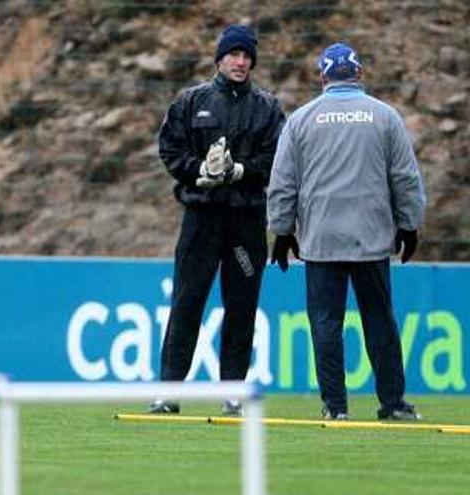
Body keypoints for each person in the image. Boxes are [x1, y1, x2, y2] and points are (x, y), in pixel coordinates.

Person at [267, 42, 426, 420]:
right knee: (379, 322)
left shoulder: (302, 119)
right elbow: (404, 177)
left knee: (325, 325)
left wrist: (282, 230)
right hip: (370, 240)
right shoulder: (385, 117)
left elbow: (283, 182)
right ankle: (392, 404)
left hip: (321, 240)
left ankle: (334, 408)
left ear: (322, 77)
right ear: (359, 74)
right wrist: (409, 224)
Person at [150, 24, 285, 416]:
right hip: (202, 219)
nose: (240, 62)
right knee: (186, 304)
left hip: (246, 222)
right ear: (220, 58)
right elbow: (169, 150)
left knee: (242, 308)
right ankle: (168, 392)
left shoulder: (267, 106)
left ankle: (233, 394)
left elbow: (277, 158)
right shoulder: (191, 101)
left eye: (246, 56)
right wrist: (198, 172)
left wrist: (241, 170)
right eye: (234, 55)